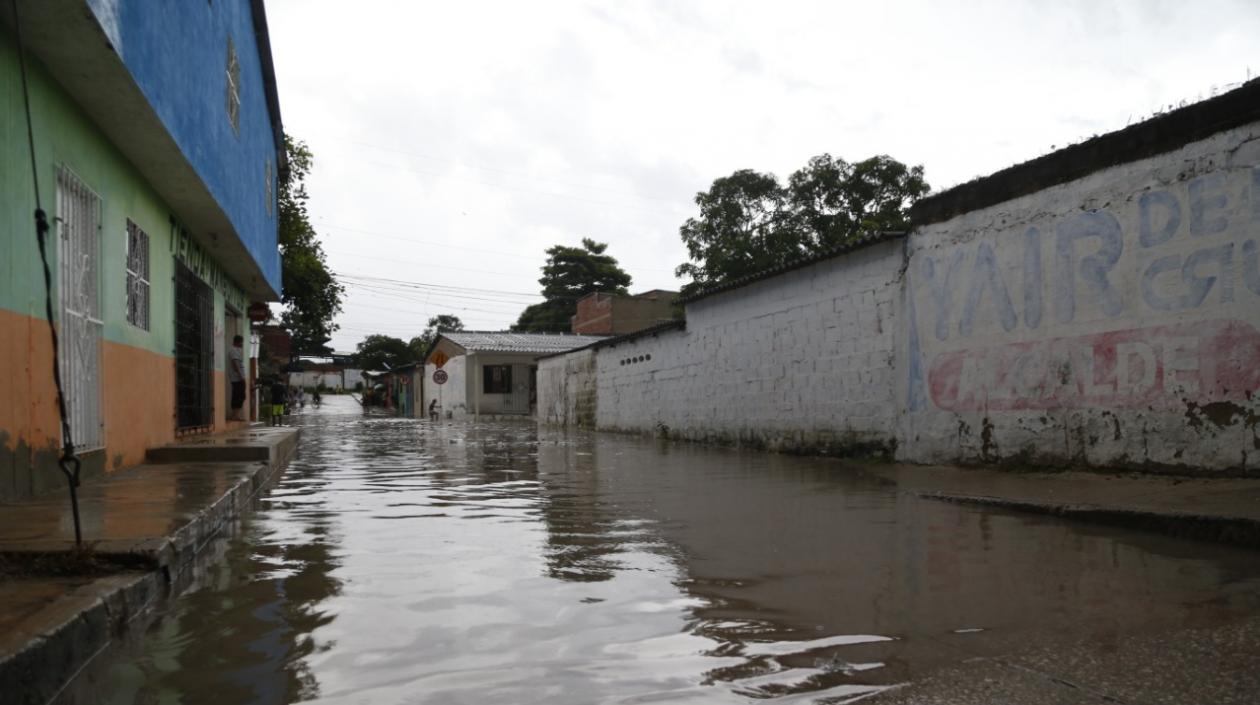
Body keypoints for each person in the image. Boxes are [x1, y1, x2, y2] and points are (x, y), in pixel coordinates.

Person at [228, 335, 246, 421]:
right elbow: (235, 364)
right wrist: (240, 376)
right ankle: (234, 415)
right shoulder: (233, 350)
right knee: (238, 396)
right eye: (241, 342)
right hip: (237, 378)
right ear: (237, 342)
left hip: (239, 377)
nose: (242, 344)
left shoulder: (237, 350)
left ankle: (236, 415)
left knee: (241, 396)